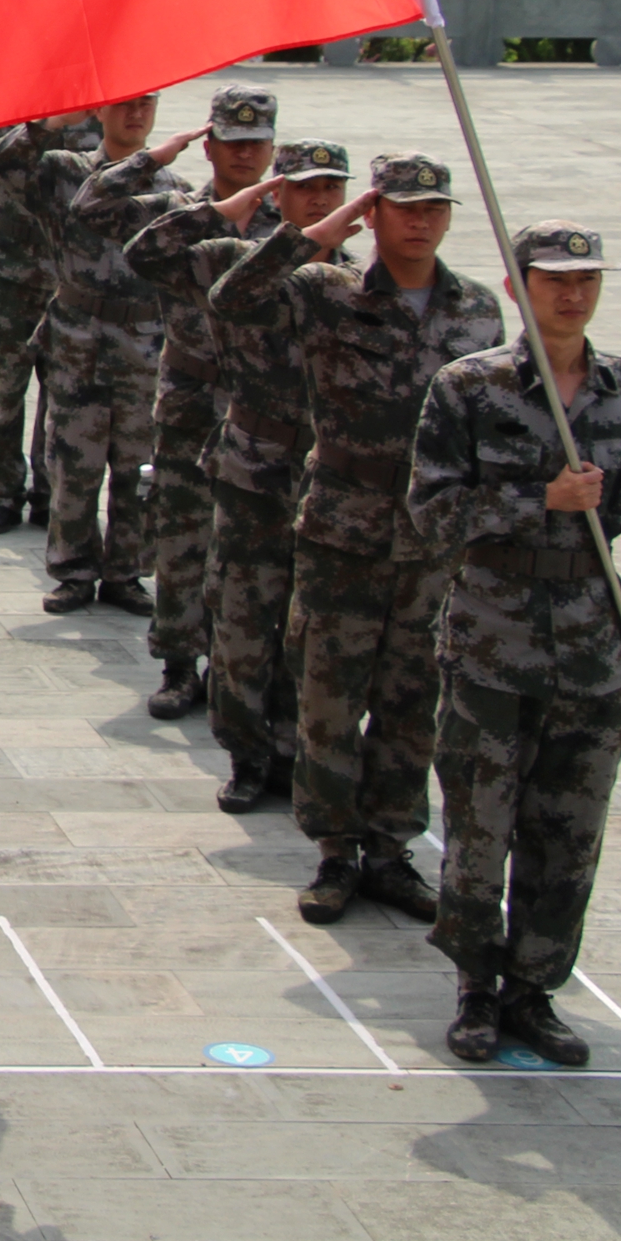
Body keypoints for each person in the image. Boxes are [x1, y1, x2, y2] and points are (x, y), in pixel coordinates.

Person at [409, 220, 621, 1068]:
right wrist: (541, 501)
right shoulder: (469, 388)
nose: (573, 294)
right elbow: (431, 515)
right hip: (493, 643)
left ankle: (534, 988)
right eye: (556, 280)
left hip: (593, 649)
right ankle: (476, 986)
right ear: (516, 287)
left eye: (586, 279)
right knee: (480, 828)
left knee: (568, 832)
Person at [210, 152, 505, 926]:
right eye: (405, 206)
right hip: (343, 528)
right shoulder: (326, 290)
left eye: (435, 208)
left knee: (412, 700)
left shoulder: (477, 310)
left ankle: (390, 848)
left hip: (430, 540)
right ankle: (336, 849)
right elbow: (233, 299)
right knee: (329, 699)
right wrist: (317, 230)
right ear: (374, 213)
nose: (422, 221)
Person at [126, 140, 355, 809]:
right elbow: (146, 254)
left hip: (326, 481)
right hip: (252, 470)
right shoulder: (235, 259)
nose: (319, 200)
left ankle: (293, 750)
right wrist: (220, 210)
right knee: (242, 621)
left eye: (330, 189)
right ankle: (248, 752)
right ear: (277, 192)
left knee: (306, 628)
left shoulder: (356, 282)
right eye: (304, 187)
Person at [75, 86, 281, 714]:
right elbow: (90, 206)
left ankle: (235, 669)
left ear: (271, 149)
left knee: (251, 549)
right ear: (208, 145)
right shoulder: (176, 210)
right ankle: (178, 664)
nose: (244, 154)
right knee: (180, 536)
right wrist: (155, 158)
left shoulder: (289, 221)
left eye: (256, 143)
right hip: (191, 401)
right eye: (231, 142)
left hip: (264, 412)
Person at [0, 96, 180, 614]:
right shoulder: (65, 171)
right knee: (74, 462)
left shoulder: (173, 187)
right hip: (79, 340)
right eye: (124, 103)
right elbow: (3, 166)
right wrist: (51, 121)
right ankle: (73, 570)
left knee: (136, 466)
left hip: (143, 342)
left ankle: (125, 573)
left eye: (146, 103)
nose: (136, 113)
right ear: (101, 110)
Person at [0, 113, 95, 535]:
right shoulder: (22, 118)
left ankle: (46, 493)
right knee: (6, 390)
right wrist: (49, 123)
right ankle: (4, 494)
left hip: (66, 283)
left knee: (58, 393)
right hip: (14, 278)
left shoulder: (95, 125)